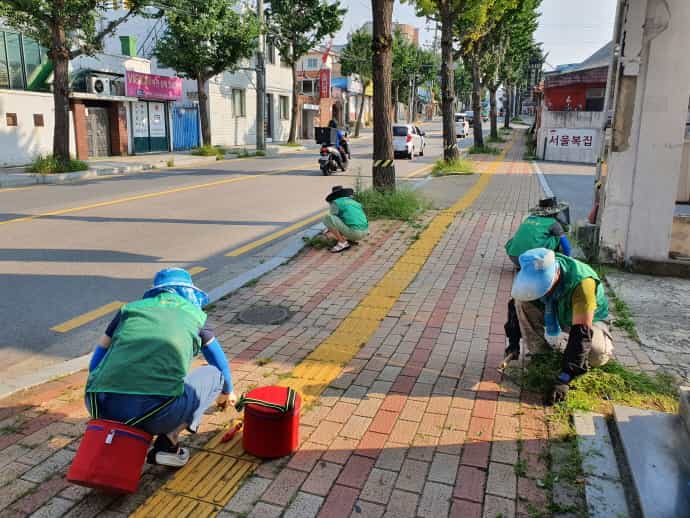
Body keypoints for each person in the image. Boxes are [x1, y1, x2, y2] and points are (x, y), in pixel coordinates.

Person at [84, 268, 235, 467]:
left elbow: (96, 360)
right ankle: (170, 441)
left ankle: (118, 431)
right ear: (188, 292)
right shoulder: (195, 316)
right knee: (214, 375)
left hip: (102, 407)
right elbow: (219, 361)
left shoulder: (129, 310)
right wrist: (228, 391)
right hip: (158, 416)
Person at [511, 248, 614, 404]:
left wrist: (565, 377)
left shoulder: (582, 283)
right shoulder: (534, 265)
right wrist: (513, 343)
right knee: (521, 302)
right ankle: (540, 354)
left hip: (590, 320)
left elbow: (581, 333)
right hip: (559, 312)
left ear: (556, 273)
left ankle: (589, 348)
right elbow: (513, 308)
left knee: (597, 354)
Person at [502, 198, 572, 366]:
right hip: (536, 260)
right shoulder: (554, 224)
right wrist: (567, 259)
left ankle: (546, 350)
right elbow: (567, 247)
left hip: (517, 257)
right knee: (556, 239)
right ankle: (539, 353)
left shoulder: (529, 219)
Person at [323, 185, 369, 253]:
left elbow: (332, 220)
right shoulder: (355, 202)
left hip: (355, 233)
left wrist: (329, 229)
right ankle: (351, 239)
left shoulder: (336, 202)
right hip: (365, 231)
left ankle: (342, 243)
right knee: (348, 218)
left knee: (327, 217)